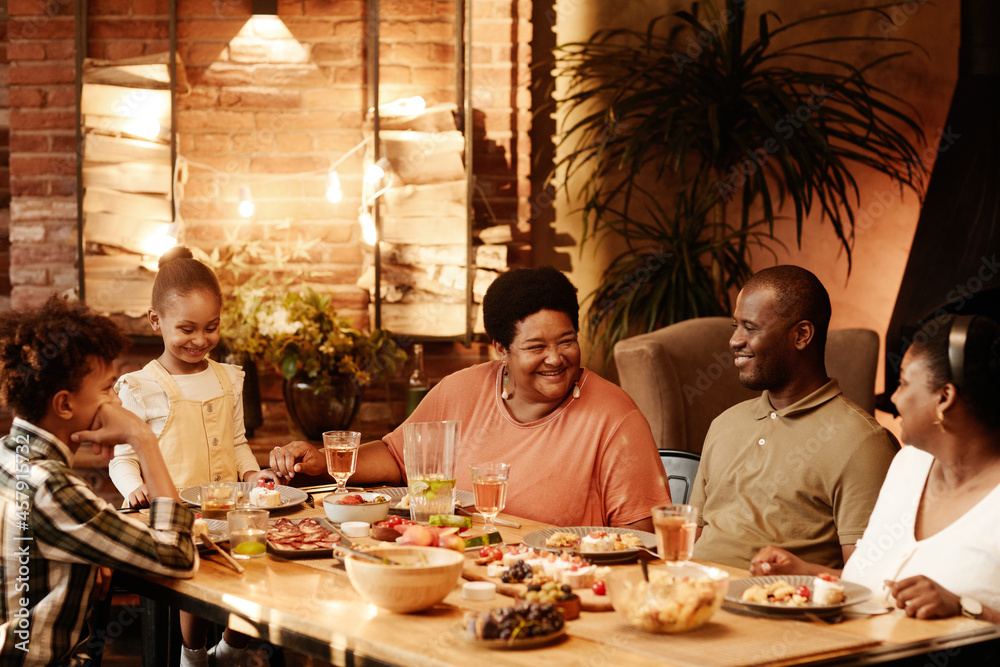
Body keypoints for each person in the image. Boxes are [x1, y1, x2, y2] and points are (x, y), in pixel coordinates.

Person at [270, 266, 672, 530]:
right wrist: (326, 461)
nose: (556, 358)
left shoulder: (614, 416)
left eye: (566, 341)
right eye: (536, 347)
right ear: (500, 349)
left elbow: (640, 536)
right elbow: (398, 456)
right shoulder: (461, 390)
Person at [750, 314, 1000, 621]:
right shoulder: (909, 464)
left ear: (944, 398)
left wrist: (963, 606)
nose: (894, 397)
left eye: (904, 382)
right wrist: (806, 573)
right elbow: (873, 589)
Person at [0, 296, 197, 665]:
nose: (117, 404)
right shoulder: (51, 488)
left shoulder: (7, 456)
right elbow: (178, 556)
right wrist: (142, 437)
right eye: (107, 389)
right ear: (65, 405)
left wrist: (87, 560)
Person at [107, 246, 277, 667]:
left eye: (211, 327)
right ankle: (193, 653)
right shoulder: (141, 386)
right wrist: (135, 489)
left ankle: (230, 649)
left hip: (232, 511)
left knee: (262, 567)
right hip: (177, 518)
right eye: (186, 329)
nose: (200, 340)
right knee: (195, 570)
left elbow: (237, 442)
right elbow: (122, 460)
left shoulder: (227, 378)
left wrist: (253, 474)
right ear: (156, 321)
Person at [689, 265, 899, 569]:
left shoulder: (864, 444)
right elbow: (691, 541)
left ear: (802, 335)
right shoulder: (724, 424)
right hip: (692, 598)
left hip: (775, 609)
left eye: (750, 328)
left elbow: (866, 584)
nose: (734, 340)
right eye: (735, 326)